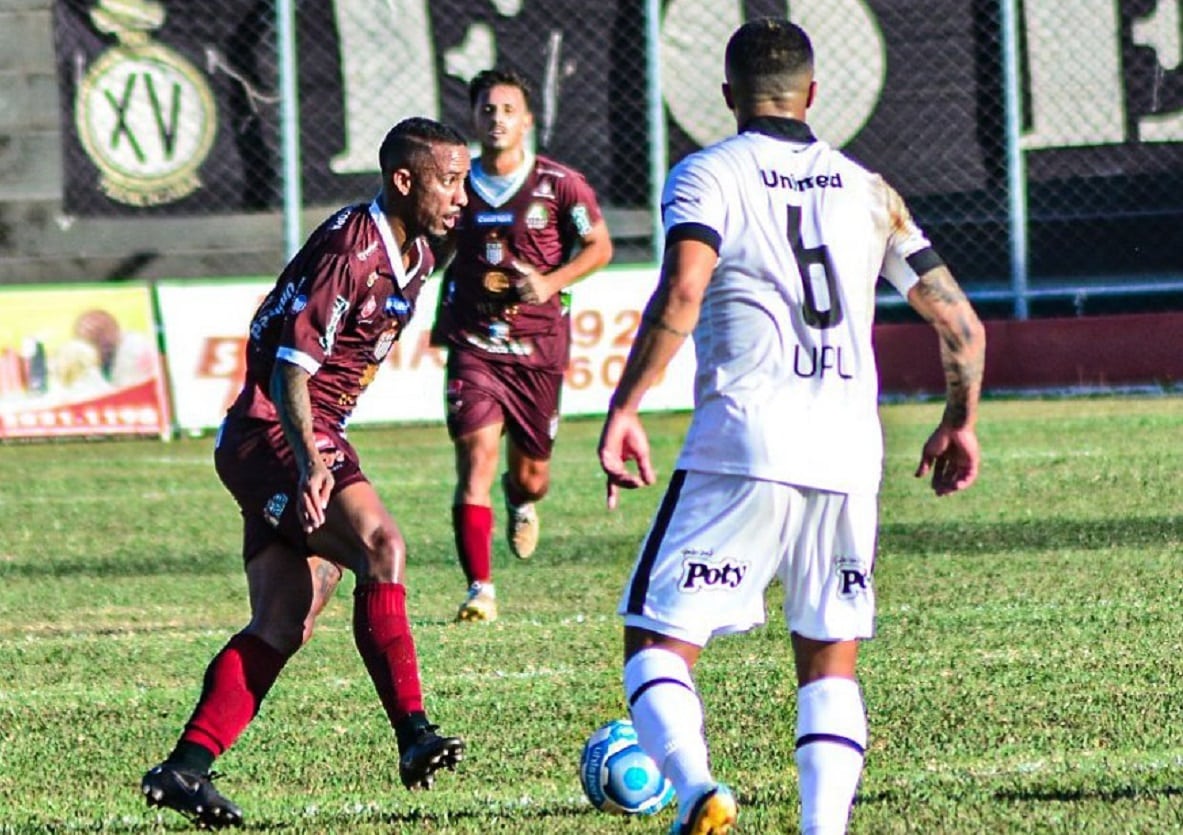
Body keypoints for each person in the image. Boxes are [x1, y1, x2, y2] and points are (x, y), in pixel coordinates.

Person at [597, 18, 986, 835]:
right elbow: (961, 328)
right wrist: (959, 423)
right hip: (848, 452)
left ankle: (698, 785)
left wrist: (625, 406)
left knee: (656, 640)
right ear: (812, 95)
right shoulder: (869, 189)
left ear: (729, 95)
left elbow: (680, 293)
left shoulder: (707, 174)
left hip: (744, 440)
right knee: (827, 651)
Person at [140, 117, 472, 829]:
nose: (461, 195)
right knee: (382, 544)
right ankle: (414, 734)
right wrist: (313, 462)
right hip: (277, 431)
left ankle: (183, 770)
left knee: (284, 618)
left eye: (465, 179)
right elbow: (292, 369)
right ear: (403, 180)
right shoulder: (351, 250)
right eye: (449, 179)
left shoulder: (417, 253)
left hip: (288, 435)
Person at [432, 68, 613, 623]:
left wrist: (552, 281)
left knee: (533, 474)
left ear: (527, 120)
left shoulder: (561, 184)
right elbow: (434, 245)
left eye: (508, 109)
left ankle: (523, 500)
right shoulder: (456, 183)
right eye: (487, 109)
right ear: (474, 118)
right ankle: (479, 589)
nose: (497, 119)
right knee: (475, 459)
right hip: (475, 343)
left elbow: (598, 246)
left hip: (537, 348)